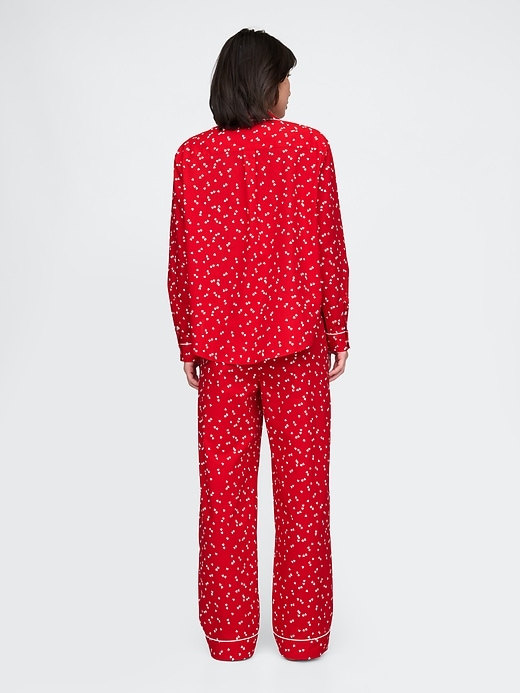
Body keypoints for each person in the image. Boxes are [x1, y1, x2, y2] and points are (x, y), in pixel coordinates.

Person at [167, 27, 350, 662]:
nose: (290, 90)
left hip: (220, 355)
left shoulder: (192, 158)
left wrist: (189, 339)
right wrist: (337, 327)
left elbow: (182, 259)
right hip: (298, 349)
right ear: (265, 82)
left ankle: (229, 638)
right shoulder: (309, 149)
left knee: (223, 499)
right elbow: (328, 244)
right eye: (286, 77)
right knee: (304, 498)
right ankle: (302, 638)